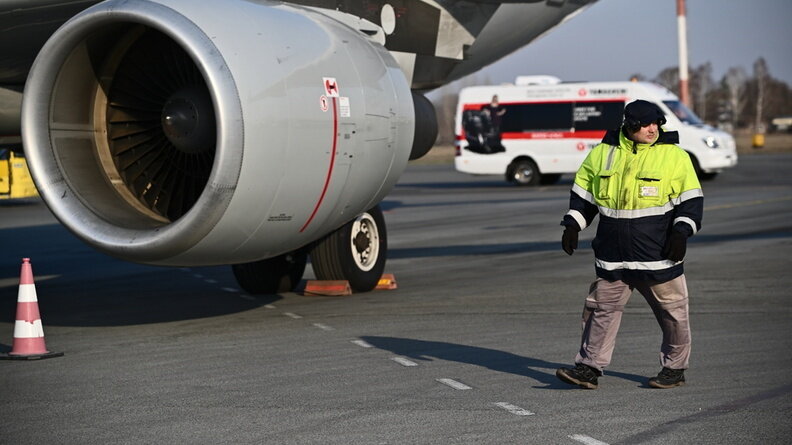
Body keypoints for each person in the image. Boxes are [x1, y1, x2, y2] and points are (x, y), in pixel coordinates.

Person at [556, 99, 703, 390]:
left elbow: (691, 201)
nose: (653, 129)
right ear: (630, 125)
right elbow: (584, 196)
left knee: (673, 314)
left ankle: (674, 369)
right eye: (646, 124)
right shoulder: (602, 153)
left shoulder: (674, 156)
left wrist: (681, 233)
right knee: (600, 311)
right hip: (613, 257)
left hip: (658, 256)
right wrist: (572, 224)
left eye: (657, 123)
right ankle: (588, 368)